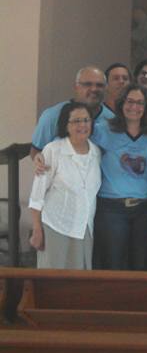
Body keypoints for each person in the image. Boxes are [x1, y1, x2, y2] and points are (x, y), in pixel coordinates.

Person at [91, 84, 147, 270]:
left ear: (146, 107)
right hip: (111, 208)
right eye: (130, 101)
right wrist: (44, 156)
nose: (134, 107)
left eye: (140, 103)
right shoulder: (102, 130)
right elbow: (77, 145)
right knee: (113, 263)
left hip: (144, 209)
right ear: (121, 104)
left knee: (141, 264)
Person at [28, 102, 101, 269]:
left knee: (79, 280)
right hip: (56, 226)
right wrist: (37, 229)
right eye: (76, 121)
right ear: (66, 125)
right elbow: (37, 194)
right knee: (53, 278)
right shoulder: (53, 150)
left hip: (84, 227)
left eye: (86, 120)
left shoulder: (96, 153)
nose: (82, 125)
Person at [31, 66, 114, 156]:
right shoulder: (52, 116)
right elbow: (36, 152)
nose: (94, 89)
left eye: (100, 85)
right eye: (87, 84)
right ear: (76, 87)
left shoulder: (112, 120)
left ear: (106, 88)